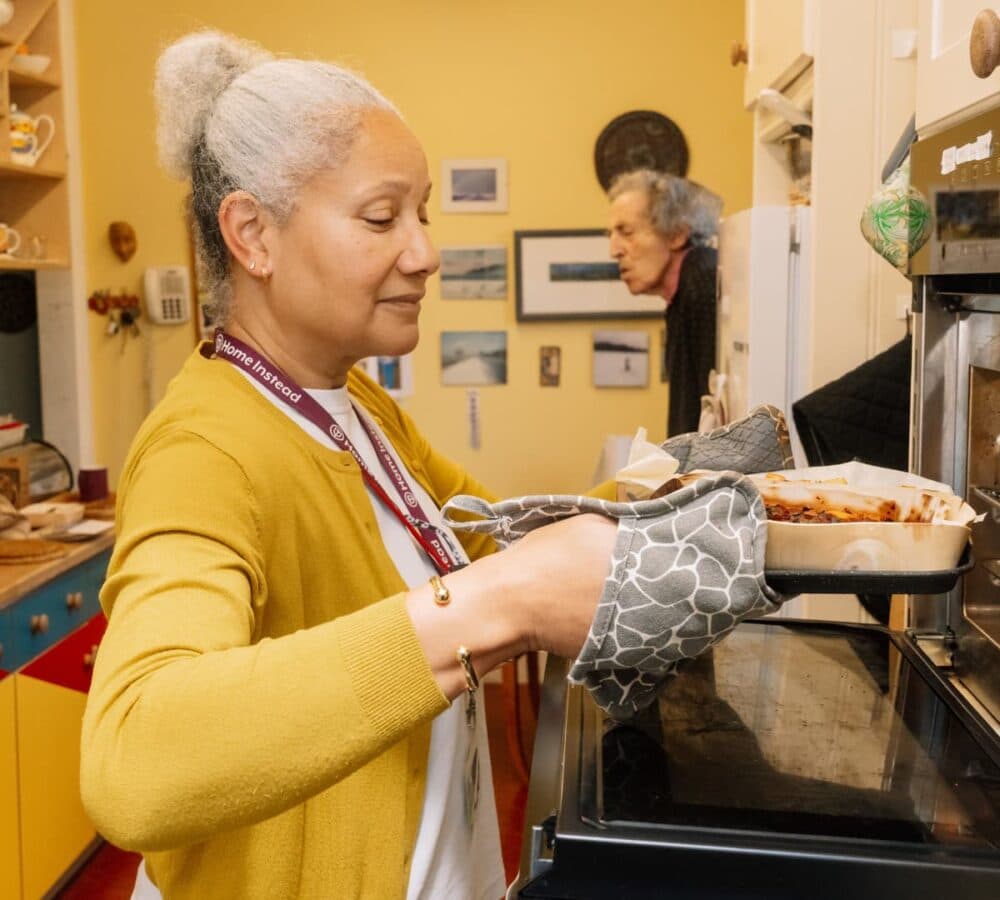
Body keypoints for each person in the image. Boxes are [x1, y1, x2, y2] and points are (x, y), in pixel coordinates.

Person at [79, 31, 618, 900]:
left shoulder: (360, 406)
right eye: (381, 217)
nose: (425, 252)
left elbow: (499, 536)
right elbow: (134, 757)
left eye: (425, 213)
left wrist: (668, 495)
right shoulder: (202, 450)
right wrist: (488, 609)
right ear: (252, 233)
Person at [607, 169, 722, 438]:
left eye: (627, 232)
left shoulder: (701, 281)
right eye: (611, 234)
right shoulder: (688, 287)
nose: (614, 250)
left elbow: (714, 425)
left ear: (677, 235)